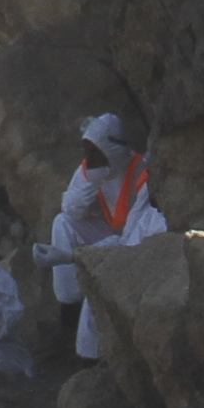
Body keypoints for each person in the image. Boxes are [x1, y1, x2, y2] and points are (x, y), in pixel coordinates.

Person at [44, 112, 168, 362]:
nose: (89, 160)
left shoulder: (140, 172)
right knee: (63, 223)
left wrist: (76, 256)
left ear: (112, 150)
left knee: (100, 273)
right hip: (110, 234)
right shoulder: (90, 170)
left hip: (133, 242)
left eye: (96, 153)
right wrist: (92, 186)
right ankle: (68, 316)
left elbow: (128, 240)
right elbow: (70, 208)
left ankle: (89, 361)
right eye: (87, 152)